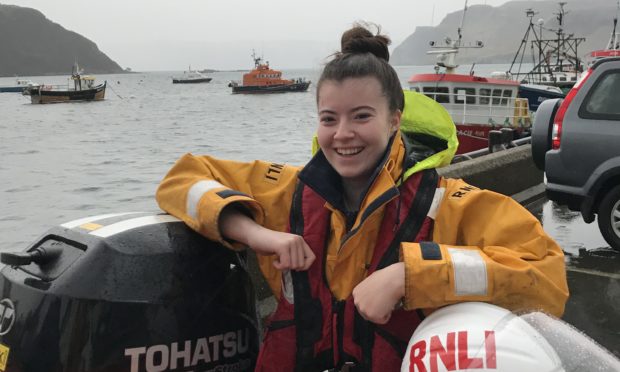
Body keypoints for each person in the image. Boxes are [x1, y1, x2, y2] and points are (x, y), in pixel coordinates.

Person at [156, 23, 569, 372]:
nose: (343, 134)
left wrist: (409, 275)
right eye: (329, 119)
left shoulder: (453, 205)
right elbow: (183, 178)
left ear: (394, 120)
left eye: (362, 116)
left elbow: (547, 277)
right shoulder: (285, 189)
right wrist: (256, 233)